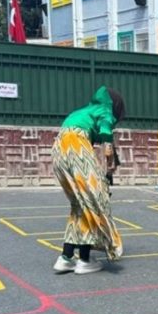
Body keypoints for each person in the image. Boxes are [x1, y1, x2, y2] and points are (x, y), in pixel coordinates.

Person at [51, 86, 125, 275]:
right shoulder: (104, 110)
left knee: (80, 204)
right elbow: (106, 135)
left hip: (59, 149)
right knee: (94, 200)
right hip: (77, 146)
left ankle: (66, 257)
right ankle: (84, 260)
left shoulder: (82, 112)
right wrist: (109, 170)